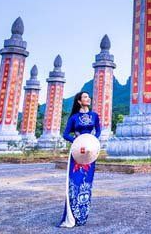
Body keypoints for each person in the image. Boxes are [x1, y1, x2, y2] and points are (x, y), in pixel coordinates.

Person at [58, 91, 101, 228]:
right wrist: (76, 141)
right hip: (77, 153)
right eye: (85, 97)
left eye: (88, 97)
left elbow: (98, 131)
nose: (88, 99)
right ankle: (73, 215)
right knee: (75, 183)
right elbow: (65, 134)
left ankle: (82, 216)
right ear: (79, 101)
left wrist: (92, 142)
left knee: (87, 183)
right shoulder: (74, 117)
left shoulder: (94, 116)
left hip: (90, 153)